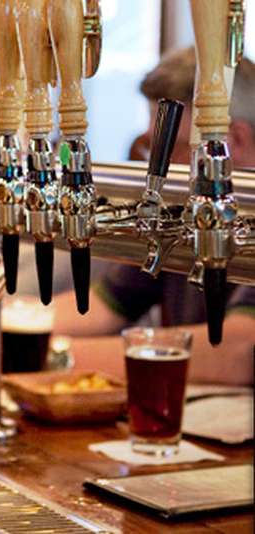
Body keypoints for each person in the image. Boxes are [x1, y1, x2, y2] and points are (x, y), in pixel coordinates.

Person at [55, 47, 255, 386]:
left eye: (171, 149)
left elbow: (239, 349)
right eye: (153, 150)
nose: (156, 171)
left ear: (233, 139)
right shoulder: (177, 211)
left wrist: (56, 358)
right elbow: (105, 308)